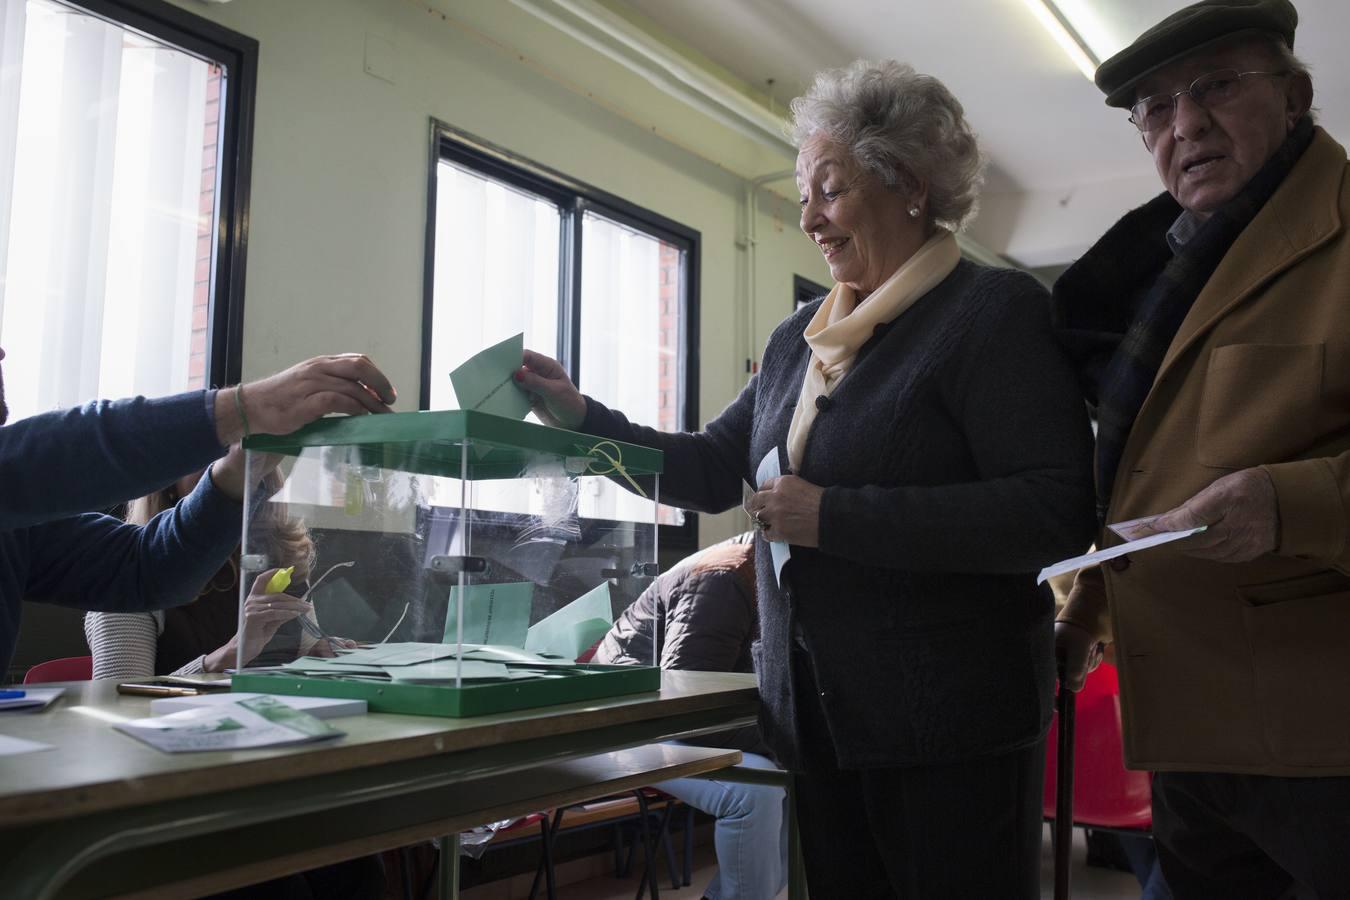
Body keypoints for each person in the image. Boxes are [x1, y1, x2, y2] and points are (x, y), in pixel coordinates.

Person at [518, 59, 1095, 899]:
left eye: (829, 188)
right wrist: (581, 421)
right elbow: (713, 467)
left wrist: (837, 517)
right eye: (803, 193)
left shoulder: (990, 315)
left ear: (909, 186)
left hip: (950, 727)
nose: (808, 218)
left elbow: (1053, 511)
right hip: (813, 720)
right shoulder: (801, 340)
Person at [1051, 1, 1350, 896]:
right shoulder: (1155, 272)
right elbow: (1142, 482)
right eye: (1155, 106)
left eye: (1217, 84)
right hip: (1184, 734)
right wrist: (1081, 617)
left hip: (1325, 743)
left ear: (1294, 97)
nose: (1185, 124)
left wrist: (1289, 504)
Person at [0, 344, 397, 676]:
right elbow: (120, 696)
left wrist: (240, 467)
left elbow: (146, 567)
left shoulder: (21, 528)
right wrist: (245, 408)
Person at [594, 535, 787, 900]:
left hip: (663, 719)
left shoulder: (766, 570)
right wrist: (789, 739)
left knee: (807, 783)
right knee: (758, 790)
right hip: (623, 725)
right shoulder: (725, 577)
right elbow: (687, 711)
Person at [84, 469, 353, 679]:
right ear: (169, 485)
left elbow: (299, 655)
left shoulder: (282, 560)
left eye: (237, 451)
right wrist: (227, 656)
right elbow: (117, 701)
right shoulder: (131, 574)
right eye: (208, 453)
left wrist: (318, 656)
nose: (227, 468)